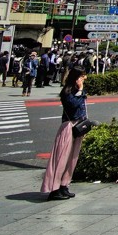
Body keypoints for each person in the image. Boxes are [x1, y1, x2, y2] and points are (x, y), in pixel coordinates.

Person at [41, 66, 89, 201]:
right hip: (68, 126)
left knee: (72, 158)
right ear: (76, 77)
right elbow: (73, 105)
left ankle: (64, 185)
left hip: (78, 126)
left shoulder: (77, 90)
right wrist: (80, 90)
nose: (84, 78)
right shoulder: (67, 91)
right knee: (61, 159)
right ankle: (53, 189)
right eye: (82, 76)